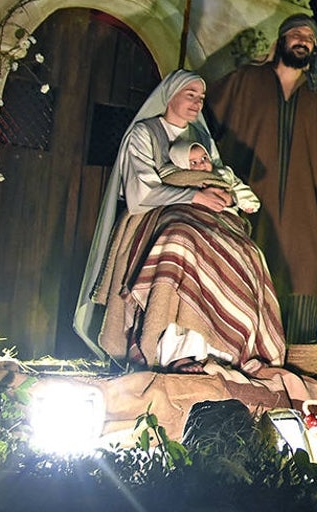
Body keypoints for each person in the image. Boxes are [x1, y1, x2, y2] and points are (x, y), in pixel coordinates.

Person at [72, 69, 286, 373]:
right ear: (170, 95)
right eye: (191, 94)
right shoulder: (144, 134)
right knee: (180, 243)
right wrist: (194, 196)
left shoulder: (199, 138)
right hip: (155, 217)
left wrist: (229, 198)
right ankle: (170, 348)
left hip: (205, 220)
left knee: (249, 253)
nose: (198, 103)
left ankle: (218, 348)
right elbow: (140, 192)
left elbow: (221, 179)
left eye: (201, 97)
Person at [206, 14, 317, 344]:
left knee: (301, 273)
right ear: (282, 40)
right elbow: (204, 119)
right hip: (250, 201)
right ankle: (237, 352)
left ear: (314, 49)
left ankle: (294, 356)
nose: (303, 39)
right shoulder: (245, 80)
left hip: (303, 210)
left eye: (310, 37)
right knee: (243, 268)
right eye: (296, 34)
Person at [162, 139, 261, 215]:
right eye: (194, 162)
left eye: (204, 158)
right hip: (200, 213)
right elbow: (168, 177)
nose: (202, 164)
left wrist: (249, 202)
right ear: (182, 165)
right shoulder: (184, 178)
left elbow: (238, 186)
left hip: (226, 212)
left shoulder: (222, 173)